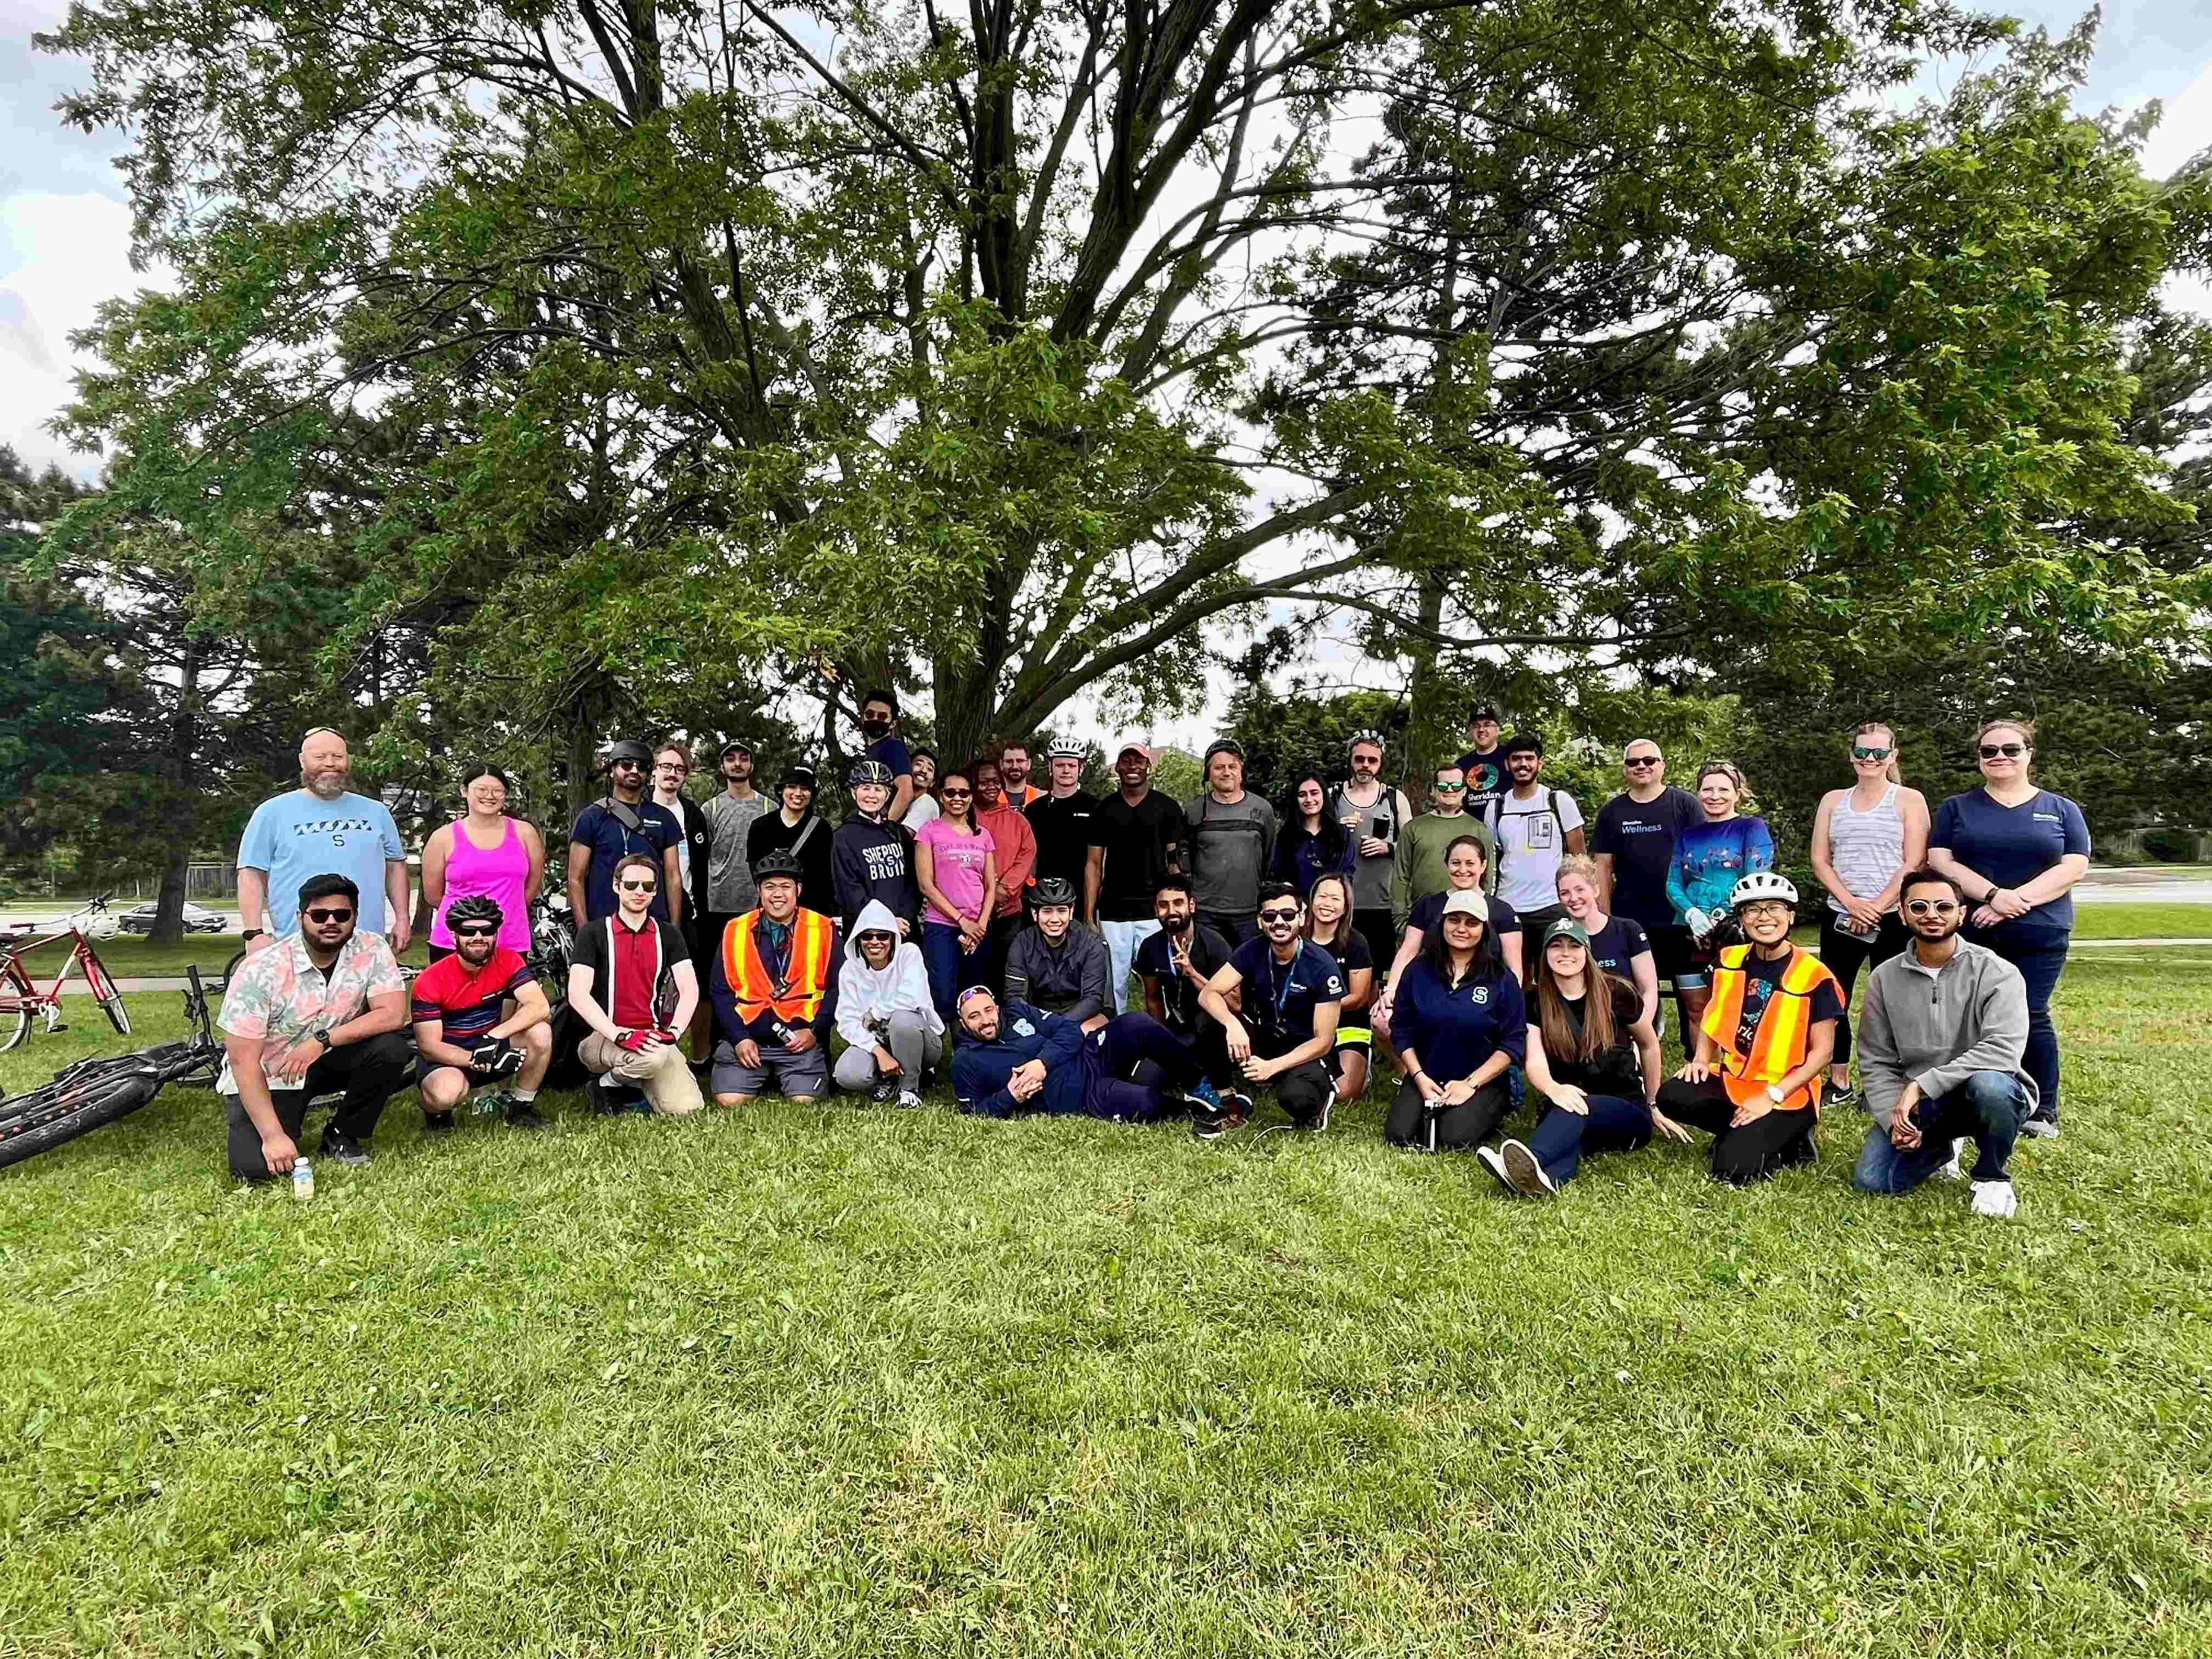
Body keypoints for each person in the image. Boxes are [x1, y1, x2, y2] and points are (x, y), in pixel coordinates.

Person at [1926, 718, 2090, 1139]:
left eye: (2011, 750)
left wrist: (2013, 902)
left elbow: (2074, 866)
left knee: (2031, 1015)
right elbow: (1942, 861)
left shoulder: (2061, 809)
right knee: (1967, 1017)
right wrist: (1993, 895)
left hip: (2041, 930)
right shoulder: (1957, 808)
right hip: (1974, 929)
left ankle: (2043, 1110)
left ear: (2029, 754)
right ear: (1979, 759)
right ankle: (1968, 1101)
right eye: (1989, 751)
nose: (2000, 757)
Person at [1850, 869, 2038, 1218]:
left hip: (1981, 1092)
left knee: (1992, 1084)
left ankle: (1992, 1176)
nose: (1931, 915)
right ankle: (1943, 1148)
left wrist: (1921, 1085)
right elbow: (1875, 1060)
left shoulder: (1997, 972)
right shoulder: (1883, 979)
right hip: (1925, 1107)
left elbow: (2002, 1051)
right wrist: (1896, 1121)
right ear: (1903, 915)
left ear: (1961, 913)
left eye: (1943, 906)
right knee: (1874, 1181)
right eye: (1919, 907)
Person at [217, 873, 414, 1178]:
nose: (331, 922)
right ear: (301, 917)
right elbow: (243, 1061)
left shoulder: (371, 948)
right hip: (274, 1072)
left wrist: (322, 1040)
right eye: (320, 915)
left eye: (342, 914)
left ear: (355, 917)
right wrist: (273, 1137)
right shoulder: (261, 969)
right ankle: (282, 1124)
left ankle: (344, 1132)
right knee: (254, 1171)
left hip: (327, 1058)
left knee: (391, 1049)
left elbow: (392, 1014)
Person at [1654, 872, 1843, 1184]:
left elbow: (1823, 1054)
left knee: (1733, 1170)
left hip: (1789, 1092)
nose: (1764, 917)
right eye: (1753, 909)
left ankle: (1791, 1140)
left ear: (1791, 916)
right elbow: (1712, 1016)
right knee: (1673, 1095)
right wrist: (1701, 1059)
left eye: (1774, 908)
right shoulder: (1729, 959)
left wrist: (1771, 1097)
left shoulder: (1815, 976)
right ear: (1742, 918)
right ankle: (1746, 1130)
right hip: (1739, 1079)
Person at [1486, 917, 1679, 1195]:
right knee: (1571, 1142)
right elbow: (1535, 1061)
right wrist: (1553, 1089)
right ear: (1545, 955)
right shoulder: (1534, 1002)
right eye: (1556, 946)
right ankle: (1545, 1180)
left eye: (1574, 946)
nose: (1565, 953)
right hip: (1565, 1100)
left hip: (1625, 1109)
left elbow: (1649, 1045)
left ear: (1587, 952)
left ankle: (1531, 1158)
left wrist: (1654, 1104)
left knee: (1574, 1109)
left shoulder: (1618, 992)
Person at [1809, 721, 1931, 1105]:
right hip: (1841, 915)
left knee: (1893, 1001)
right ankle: (1839, 1081)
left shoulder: (1910, 800)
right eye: (1862, 752)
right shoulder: (1833, 800)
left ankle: (1884, 1085)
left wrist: (1876, 908)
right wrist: (1852, 904)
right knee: (1834, 998)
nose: (1870, 759)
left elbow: (1915, 861)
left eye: (1879, 753)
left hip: (1893, 917)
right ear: (1851, 756)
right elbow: (1820, 860)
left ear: (1893, 756)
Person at [237, 727, 410, 952]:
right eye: (320, 757)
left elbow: (395, 867)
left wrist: (403, 919)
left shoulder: (377, 812)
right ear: (302, 760)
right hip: (296, 947)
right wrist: (254, 933)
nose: (330, 763)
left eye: (338, 756)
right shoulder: (271, 813)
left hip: (367, 947)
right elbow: (250, 873)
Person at [1195, 882, 1345, 1136]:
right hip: (1267, 1036)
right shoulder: (1253, 949)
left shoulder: (1322, 964)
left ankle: (1317, 1103)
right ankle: (1230, 1104)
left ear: (1301, 917)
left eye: (1287, 915)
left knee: (1296, 1098)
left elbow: (1324, 1041)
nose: (1279, 922)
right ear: (1260, 921)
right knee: (1209, 1021)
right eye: (1270, 916)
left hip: (1306, 1050)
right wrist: (1232, 1025)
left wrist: (1273, 1067)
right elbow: (1209, 993)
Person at [1381, 889, 1525, 1152]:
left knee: (1453, 1138)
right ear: (1442, 923)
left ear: (1484, 929)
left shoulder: (1502, 979)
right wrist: (1419, 1076)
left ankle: (1489, 1108)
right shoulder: (1417, 970)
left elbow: (1513, 1043)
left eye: (1471, 923)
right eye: (1454, 920)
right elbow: (1401, 1029)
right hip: (1428, 1075)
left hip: (1482, 1081)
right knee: (1399, 1134)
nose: (1461, 929)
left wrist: (1470, 1085)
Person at [950, 989, 1218, 1123]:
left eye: (988, 1010)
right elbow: (973, 1112)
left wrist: (1041, 1064)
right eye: (974, 1016)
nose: (985, 1020)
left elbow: (1069, 1031)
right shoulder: (965, 1060)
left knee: (1136, 1023)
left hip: (1091, 1053)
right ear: (963, 1023)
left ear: (996, 1007)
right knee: (1145, 1102)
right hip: (1080, 1092)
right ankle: (1195, 1111)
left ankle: (1197, 1084)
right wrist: (1011, 1096)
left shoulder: (1017, 1012)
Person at [568, 854, 705, 1116]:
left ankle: (619, 1082)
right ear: (616, 886)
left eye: (647, 886)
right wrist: (619, 1034)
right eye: (631, 885)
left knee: (687, 1109)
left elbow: (690, 989)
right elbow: (577, 994)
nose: (639, 892)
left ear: (655, 892)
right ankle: (603, 1085)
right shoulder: (594, 933)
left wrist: (674, 1033)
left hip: (651, 1036)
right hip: (602, 1037)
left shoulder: (667, 934)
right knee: (651, 1059)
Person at [409, 894, 554, 1132]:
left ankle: (522, 1106)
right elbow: (429, 1046)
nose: (478, 938)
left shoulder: (508, 960)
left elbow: (539, 1006)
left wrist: (493, 1038)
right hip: (450, 1056)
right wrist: (478, 1059)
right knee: (446, 1094)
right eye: (468, 931)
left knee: (540, 1031)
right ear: (454, 935)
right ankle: (435, 1113)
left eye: (487, 931)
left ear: (496, 934)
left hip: (493, 1045)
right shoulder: (430, 980)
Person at [709, 850, 838, 1109]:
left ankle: (787, 1074)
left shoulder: (823, 928)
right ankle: (759, 1073)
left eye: (785, 887)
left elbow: (838, 988)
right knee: (729, 1101)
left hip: (799, 1042)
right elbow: (720, 991)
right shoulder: (735, 930)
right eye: (769, 887)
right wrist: (738, 1038)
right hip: (749, 1040)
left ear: (798, 890)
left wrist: (815, 1032)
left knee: (805, 1101)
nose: (778, 894)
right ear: (759, 890)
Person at [1590, 739, 1701, 1030]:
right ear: (1625, 770)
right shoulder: (1612, 812)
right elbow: (1602, 867)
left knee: (1695, 1003)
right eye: (1633, 762)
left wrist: (1701, 911)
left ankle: (1698, 1066)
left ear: (1662, 766)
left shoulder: (1686, 804)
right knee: (1631, 998)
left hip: (1683, 922)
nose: (1642, 766)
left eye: (1649, 760)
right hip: (1631, 922)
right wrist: (1604, 917)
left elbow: (1704, 861)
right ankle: (1636, 1062)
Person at [1375, 833, 1521, 1040]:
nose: (1463, 870)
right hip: (1432, 987)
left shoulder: (1502, 911)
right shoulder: (1428, 906)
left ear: (1483, 866)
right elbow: (1408, 950)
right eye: (1456, 863)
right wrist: (1391, 989)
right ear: (1446, 865)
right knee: (1382, 1018)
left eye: (1470, 863)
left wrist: (1510, 1002)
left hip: (1483, 991)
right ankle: (1407, 1070)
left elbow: (1514, 965)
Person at [1664, 761, 1773, 1030]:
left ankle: (1736, 1068)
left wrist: (1722, 917)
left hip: (1736, 930)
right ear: (1698, 793)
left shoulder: (1752, 828)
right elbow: (1673, 882)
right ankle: (1702, 1069)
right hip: (1688, 930)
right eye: (1707, 789)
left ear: (1738, 793)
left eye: (1723, 789)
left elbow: (1753, 880)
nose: (1715, 796)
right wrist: (1691, 913)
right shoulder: (1687, 836)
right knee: (1696, 1008)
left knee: (1739, 1006)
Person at [1086, 742, 1185, 1014]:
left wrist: (1177, 908)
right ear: (1117, 767)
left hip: (1155, 911)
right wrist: (1088, 914)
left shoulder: (1167, 808)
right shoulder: (1104, 809)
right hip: (1113, 911)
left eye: (1138, 761)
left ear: (1148, 766)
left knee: (1162, 981)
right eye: (1126, 761)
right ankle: (1117, 1034)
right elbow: (1094, 863)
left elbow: (1175, 865)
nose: (1132, 766)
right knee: (1114, 984)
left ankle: (1164, 1034)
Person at [1135, 875, 1242, 1104]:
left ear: (1191, 906)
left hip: (1215, 1030)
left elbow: (1235, 1004)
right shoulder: (1150, 947)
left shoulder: (1215, 945)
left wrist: (1192, 973)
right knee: (1146, 1079)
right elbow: (1153, 999)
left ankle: (1223, 1084)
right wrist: (1160, 1039)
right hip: (1179, 1028)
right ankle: (1188, 1071)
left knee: (1208, 1019)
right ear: (1156, 910)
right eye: (1163, 905)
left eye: (1178, 903)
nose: (1171, 911)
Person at [421, 764, 544, 963]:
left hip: (510, 941)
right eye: (482, 789)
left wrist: (510, 909)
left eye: (497, 791)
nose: (490, 796)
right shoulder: (443, 837)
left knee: (511, 995)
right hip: (454, 942)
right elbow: (434, 895)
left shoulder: (525, 833)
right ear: (464, 791)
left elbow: (533, 886)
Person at [832, 900, 942, 1107]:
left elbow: (913, 998)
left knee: (902, 1018)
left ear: (893, 938)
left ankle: (909, 1089)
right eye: (867, 936)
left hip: (922, 1041)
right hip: (880, 1042)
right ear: (858, 939)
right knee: (847, 1074)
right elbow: (846, 1021)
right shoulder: (850, 969)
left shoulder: (909, 954)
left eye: (883, 935)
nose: (875, 942)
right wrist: (878, 1052)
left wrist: (876, 1013)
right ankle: (891, 1077)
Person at [915, 764, 999, 1025]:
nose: (957, 799)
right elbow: (926, 885)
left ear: (971, 796)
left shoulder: (982, 835)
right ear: (941, 795)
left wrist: (981, 925)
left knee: (975, 995)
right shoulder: (929, 831)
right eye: (951, 792)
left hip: (978, 928)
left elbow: (990, 885)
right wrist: (963, 922)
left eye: (964, 793)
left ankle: (973, 1051)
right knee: (942, 994)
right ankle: (938, 1057)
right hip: (942, 927)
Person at [567, 739, 682, 928]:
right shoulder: (591, 817)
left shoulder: (664, 817)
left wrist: (675, 928)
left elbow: (673, 876)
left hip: (654, 922)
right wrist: (584, 931)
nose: (634, 771)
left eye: (642, 767)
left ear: (648, 774)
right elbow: (575, 878)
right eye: (627, 765)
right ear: (612, 770)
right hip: (604, 922)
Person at [651, 742, 719, 1059]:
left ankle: (700, 1055)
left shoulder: (692, 814)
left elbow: (702, 865)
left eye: (679, 769)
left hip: (691, 909)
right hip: (647, 907)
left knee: (696, 982)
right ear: (654, 771)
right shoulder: (640, 810)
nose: (672, 774)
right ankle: (652, 1048)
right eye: (666, 767)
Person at [1482, 732, 1584, 935]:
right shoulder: (1496, 807)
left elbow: (1579, 857)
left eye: (1529, 758)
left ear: (1540, 763)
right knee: (1510, 967)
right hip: (1507, 905)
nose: (1523, 764)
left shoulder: (1558, 801)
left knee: (1554, 966)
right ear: (1507, 764)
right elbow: (1490, 859)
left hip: (1552, 905)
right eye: (1516, 759)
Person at [1329, 730, 1414, 972]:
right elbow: (1315, 845)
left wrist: (1388, 847)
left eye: (1372, 760)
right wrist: (1336, 831)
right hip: (1341, 902)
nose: (1365, 765)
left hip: (1382, 903)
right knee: (1341, 971)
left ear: (1380, 763)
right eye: (1360, 759)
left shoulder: (1395, 798)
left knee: (1378, 971)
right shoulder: (1333, 797)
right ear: (1350, 761)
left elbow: (1411, 847)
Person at [1184, 738, 1278, 945]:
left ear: (1241, 771)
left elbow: (1269, 856)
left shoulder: (1262, 809)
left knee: (1247, 972)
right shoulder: (1194, 811)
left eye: (1232, 767)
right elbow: (1188, 856)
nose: (1226, 772)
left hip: (1248, 911)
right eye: (1219, 768)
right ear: (1208, 774)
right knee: (1207, 971)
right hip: (1205, 911)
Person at [1554, 855, 1660, 1035]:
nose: (1573, 898)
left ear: (1595, 890)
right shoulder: (1558, 938)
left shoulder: (1628, 931)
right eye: (1565, 893)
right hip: (1579, 1033)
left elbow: (1649, 990)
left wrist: (1642, 1033)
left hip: (1629, 1028)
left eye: (1580, 890)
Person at [1390, 763, 1499, 933]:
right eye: (1443, 785)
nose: (1449, 790)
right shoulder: (1413, 828)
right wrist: (1400, 920)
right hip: (1421, 920)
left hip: (1467, 919)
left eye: (1456, 785)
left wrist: (1484, 915)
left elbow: (1488, 877)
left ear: (1464, 791)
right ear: (1433, 790)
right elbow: (1400, 876)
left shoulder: (1480, 830)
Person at [1304, 872, 1376, 1108]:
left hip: (1348, 1026)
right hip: (1303, 1025)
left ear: (1346, 908)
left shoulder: (1356, 942)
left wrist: (1321, 1007)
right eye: (1322, 896)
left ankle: (1362, 1067)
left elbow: (1358, 998)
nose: (1327, 904)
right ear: (1311, 900)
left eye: (1336, 899)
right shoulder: (1296, 939)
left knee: (1342, 1094)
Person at [1003, 876, 1110, 1030]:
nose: (1055, 919)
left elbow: (1093, 998)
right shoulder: (1022, 943)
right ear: (1035, 914)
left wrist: (1060, 1025)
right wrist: (1042, 1022)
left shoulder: (1090, 943)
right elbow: (1015, 996)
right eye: (1047, 911)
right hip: (1038, 1016)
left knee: (1092, 1032)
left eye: (1061, 911)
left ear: (1071, 912)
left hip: (1082, 1015)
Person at [833, 758, 922, 941]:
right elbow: (849, 891)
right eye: (865, 788)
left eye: (879, 789)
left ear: (888, 795)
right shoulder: (843, 837)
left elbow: (914, 882)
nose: (872, 795)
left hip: (905, 930)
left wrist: (904, 916)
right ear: (853, 792)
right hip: (867, 933)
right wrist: (886, 921)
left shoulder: (899, 833)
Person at [973, 755, 1037, 988]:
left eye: (995, 781)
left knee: (1005, 974)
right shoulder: (963, 817)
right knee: (974, 973)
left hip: (1008, 912)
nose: (990, 786)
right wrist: (984, 895)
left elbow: (1026, 856)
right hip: (971, 913)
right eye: (983, 782)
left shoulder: (1017, 820)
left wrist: (1003, 890)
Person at [700, 738, 769, 952]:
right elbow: (701, 858)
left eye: (744, 759)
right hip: (719, 904)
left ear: (752, 766)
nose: (737, 764)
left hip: (759, 902)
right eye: (731, 759)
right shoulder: (710, 808)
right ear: (723, 767)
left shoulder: (769, 807)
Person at [747, 763, 835, 917]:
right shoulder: (760, 827)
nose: (798, 793)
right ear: (782, 790)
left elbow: (826, 879)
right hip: (773, 910)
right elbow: (757, 874)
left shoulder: (821, 829)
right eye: (792, 787)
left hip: (812, 911)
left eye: (805, 788)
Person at [1027, 737, 1097, 900]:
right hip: (1044, 895)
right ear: (1050, 767)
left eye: (1072, 765)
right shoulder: (1034, 809)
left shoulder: (1095, 807)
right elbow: (1031, 857)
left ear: (1081, 768)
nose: (1066, 770)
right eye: (1060, 765)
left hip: (1082, 894)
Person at [1273, 769, 1357, 899]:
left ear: (1323, 795)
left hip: (1332, 909)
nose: (1309, 799)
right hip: (1298, 911)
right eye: (1302, 795)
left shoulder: (1341, 834)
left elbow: (1347, 873)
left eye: (1314, 793)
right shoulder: (1286, 836)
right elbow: (1281, 876)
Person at [859, 689, 916, 821]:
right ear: (863, 718)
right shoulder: (873, 752)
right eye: (870, 714)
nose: (875, 719)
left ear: (893, 723)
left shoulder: (893, 747)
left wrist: (883, 828)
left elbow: (906, 791)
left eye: (882, 717)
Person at [1454, 704, 1510, 818]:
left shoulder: (1510, 757)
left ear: (1498, 729)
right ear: (1470, 730)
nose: (1481, 730)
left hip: (1506, 825)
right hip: (1472, 829)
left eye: (1487, 725)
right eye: (1476, 726)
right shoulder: (1461, 764)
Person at [903, 748, 941, 831]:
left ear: (933, 783)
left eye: (930, 769)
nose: (923, 771)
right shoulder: (898, 798)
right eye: (918, 764)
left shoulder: (928, 803)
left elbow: (904, 835)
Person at [998, 741, 1044, 808]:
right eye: (1009, 761)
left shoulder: (1042, 797)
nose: (1015, 766)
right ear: (1001, 764)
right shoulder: (990, 799)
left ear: (1029, 764)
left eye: (1020, 761)